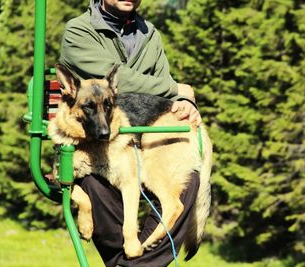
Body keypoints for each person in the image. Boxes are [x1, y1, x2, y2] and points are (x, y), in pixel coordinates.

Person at [59, 0, 201, 266]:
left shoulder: (150, 34)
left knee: (188, 181)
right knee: (93, 184)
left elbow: (164, 98)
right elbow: (115, 80)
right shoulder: (79, 31)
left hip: (141, 137)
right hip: (93, 143)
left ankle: (132, 264)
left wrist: (186, 102)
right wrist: (176, 88)